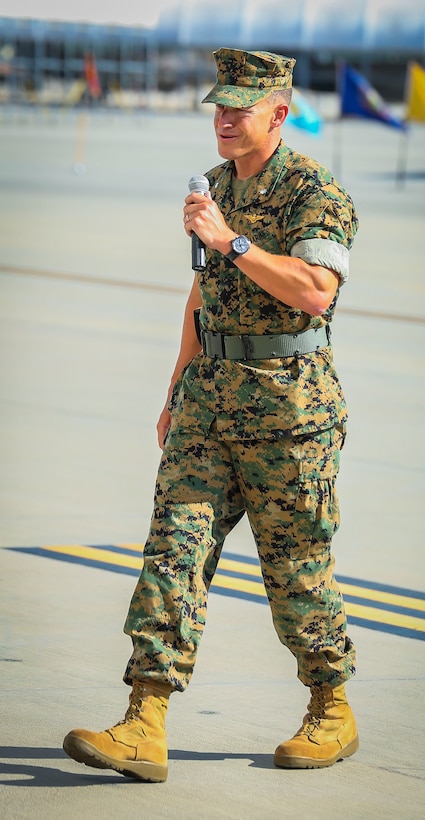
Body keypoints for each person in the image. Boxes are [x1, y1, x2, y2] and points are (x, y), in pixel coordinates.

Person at [63, 48, 359, 782]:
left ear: (278, 114)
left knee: (294, 567)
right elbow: (204, 298)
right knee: (173, 554)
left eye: (241, 106)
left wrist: (231, 238)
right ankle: (144, 719)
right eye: (219, 105)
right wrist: (174, 389)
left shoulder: (311, 192)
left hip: (288, 412)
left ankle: (330, 704)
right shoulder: (216, 188)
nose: (225, 118)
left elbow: (315, 291)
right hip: (208, 403)